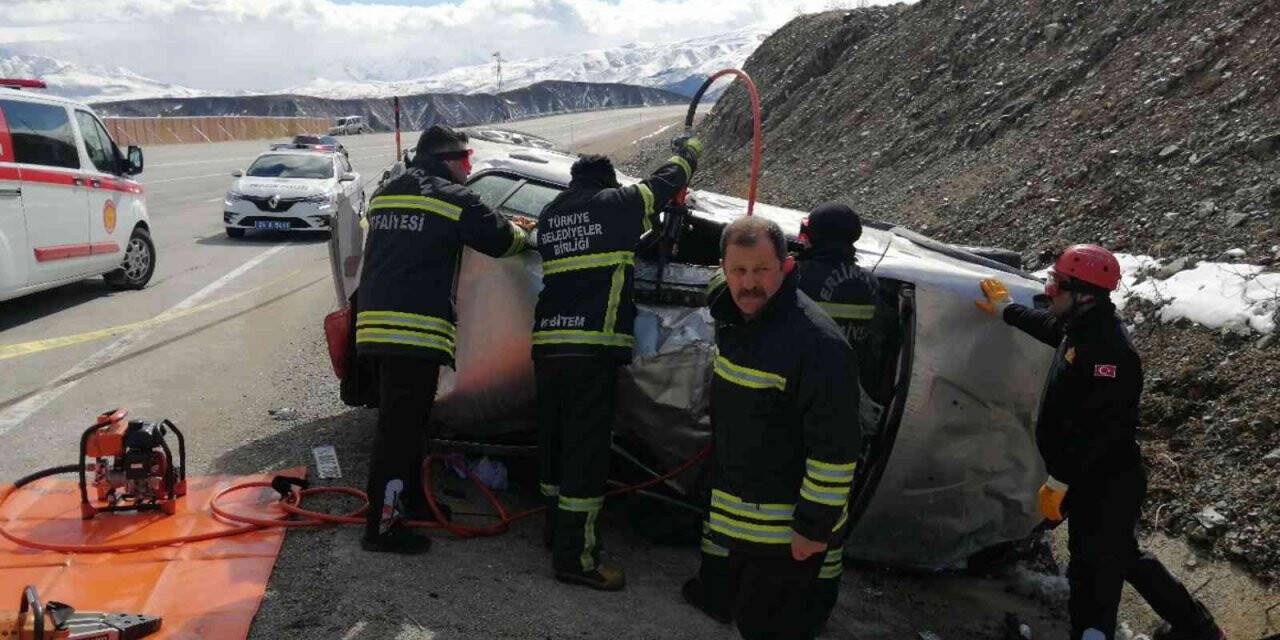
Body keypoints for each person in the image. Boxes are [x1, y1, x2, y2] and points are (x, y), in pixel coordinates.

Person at [976, 244, 1225, 640]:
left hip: (1106, 482)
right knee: (1120, 556)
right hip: (1091, 478)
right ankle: (1195, 627)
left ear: (1084, 295)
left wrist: (1060, 479)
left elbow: (1101, 432)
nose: (1049, 290)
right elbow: (1050, 329)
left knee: (1094, 576)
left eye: (1057, 285)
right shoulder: (1082, 328)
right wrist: (1007, 309)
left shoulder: (1110, 353)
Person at [533, 139, 701, 590]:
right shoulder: (617, 203)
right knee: (586, 457)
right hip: (592, 347)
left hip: (548, 345)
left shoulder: (551, 214)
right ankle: (577, 559)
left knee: (554, 446)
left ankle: (555, 534)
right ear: (607, 181)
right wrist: (688, 152)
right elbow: (667, 183)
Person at [683, 216, 860, 639]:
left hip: (787, 537)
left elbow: (834, 452)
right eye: (738, 271)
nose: (749, 284)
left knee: (769, 628)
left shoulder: (816, 344)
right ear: (723, 271)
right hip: (744, 527)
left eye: (761, 270)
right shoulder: (737, 317)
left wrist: (812, 530)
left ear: (786, 267)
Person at [356, 125, 530, 554]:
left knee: (409, 427)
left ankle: (411, 504)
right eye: (467, 162)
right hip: (413, 330)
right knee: (399, 433)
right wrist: (525, 230)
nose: (468, 170)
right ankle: (383, 527)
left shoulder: (388, 192)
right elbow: (503, 241)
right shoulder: (454, 199)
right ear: (453, 160)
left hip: (375, 325)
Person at [792, 202, 896, 628]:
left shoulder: (796, 278)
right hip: (854, 419)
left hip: (801, 413)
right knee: (832, 514)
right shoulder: (874, 286)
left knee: (791, 508)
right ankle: (818, 607)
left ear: (814, 234)